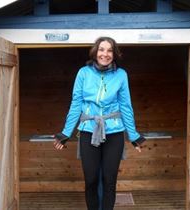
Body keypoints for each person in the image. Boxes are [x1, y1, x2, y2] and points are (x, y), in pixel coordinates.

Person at [53, 36, 146, 210]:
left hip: (114, 132)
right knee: (91, 180)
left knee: (110, 180)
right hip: (89, 131)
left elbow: (126, 106)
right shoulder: (83, 73)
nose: (105, 54)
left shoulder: (121, 75)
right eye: (102, 49)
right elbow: (76, 104)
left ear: (114, 53)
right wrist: (66, 132)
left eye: (110, 50)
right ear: (95, 52)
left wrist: (133, 135)